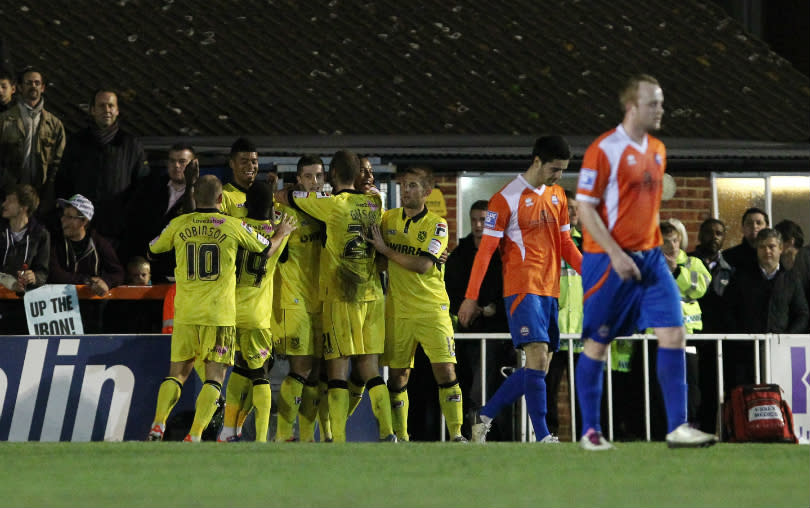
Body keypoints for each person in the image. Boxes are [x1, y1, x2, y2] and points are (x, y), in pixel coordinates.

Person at [573, 74, 718, 450]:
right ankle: (590, 431)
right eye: (653, 103)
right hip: (607, 260)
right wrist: (617, 253)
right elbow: (584, 207)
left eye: (662, 102)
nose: (661, 110)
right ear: (631, 106)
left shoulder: (657, 148)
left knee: (674, 333)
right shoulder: (603, 149)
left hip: (651, 259)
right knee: (598, 343)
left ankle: (677, 427)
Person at [146, 174, 294, 442]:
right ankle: (195, 434)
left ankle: (158, 424)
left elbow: (152, 250)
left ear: (193, 197)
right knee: (215, 377)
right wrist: (281, 232)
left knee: (177, 373)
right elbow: (264, 249)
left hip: (186, 312)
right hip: (220, 314)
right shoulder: (232, 225)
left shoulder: (179, 224)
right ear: (220, 199)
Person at [462, 134, 582, 444]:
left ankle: (484, 415)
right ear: (537, 161)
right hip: (521, 289)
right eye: (554, 169)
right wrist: (470, 297)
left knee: (539, 367)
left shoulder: (557, 197)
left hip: (550, 291)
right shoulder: (504, 199)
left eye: (562, 170)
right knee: (538, 360)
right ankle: (543, 436)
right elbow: (486, 252)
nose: (558, 176)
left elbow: (566, 244)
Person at [274, 149, 394, 443]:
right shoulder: (374, 202)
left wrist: (282, 190)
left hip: (340, 297)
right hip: (372, 294)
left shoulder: (330, 206)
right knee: (369, 368)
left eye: (321, 175)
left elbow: (287, 198)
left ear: (330, 176)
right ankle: (389, 432)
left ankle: (336, 439)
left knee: (337, 370)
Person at [366, 165, 465, 442]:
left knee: (445, 369)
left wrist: (386, 251)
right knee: (398, 377)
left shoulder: (438, 224)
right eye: (403, 185)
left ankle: (457, 434)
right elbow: (382, 262)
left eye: (412, 185)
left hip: (432, 309)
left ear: (426, 192)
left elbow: (422, 265)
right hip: (398, 310)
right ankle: (401, 437)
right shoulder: (387, 220)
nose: (405, 190)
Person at [217, 178, 294, 443]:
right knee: (260, 374)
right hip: (258, 315)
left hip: (231, 311)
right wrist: (282, 231)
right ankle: (261, 438)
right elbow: (279, 256)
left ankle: (228, 431)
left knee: (239, 368)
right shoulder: (278, 233)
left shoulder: (235, 228)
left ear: (246, 204)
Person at [270, 155, 327, 443]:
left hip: (324, 302)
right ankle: (283, 434)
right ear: (298, 180)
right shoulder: (283, 209)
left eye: (319, 176)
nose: (314, 182)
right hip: (295, 302)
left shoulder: (328, 210)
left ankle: (307, 438)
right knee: (301, 369)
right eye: (308, 177)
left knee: (316, 374)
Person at [444, 199, 511, 440]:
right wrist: (463, 310)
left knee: (485, 388)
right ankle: (467, 434)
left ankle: (493, 435)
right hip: (465, 333)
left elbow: (509, 288)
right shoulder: (460, 253)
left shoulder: (503, 254)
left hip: (496, 335)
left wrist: (492, 309)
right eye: (474, 220)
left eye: (483, 220)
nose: (478, 225)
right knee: (464, 386)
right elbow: (448, 288)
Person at [56, 88, 150, 248]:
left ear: (117, 110)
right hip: (81, 227)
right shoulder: (77, 142)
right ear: (92, 110)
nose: (106, 110)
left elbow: (142, 185)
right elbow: (63, 181)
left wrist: (126, 216)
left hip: (117, 231)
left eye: (110, 106)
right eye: (101, 106)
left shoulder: (131, 144)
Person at [723, 228, 809, 388]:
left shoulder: (791, 279)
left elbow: (802, 314)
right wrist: (741, 337)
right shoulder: (741, 277)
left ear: (781, 248)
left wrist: (786, 338)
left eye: (771, 246)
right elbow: (728, 310)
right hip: (746, 353)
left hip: (781, 352)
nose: (767, 251)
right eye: (762, 247)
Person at [120, 142, 197, 283]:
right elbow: (133, 224)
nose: (177, 166)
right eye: (172, 161)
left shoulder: (202, 194)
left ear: (194, 164)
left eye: (182, 161)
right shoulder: (149, 187)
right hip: (144, 272)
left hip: (178, 274)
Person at [48, 194, 125, 333]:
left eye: (69, 217)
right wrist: (87, 280)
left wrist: (106, 282)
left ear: (84, 221)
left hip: (90, 314)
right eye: (63, 215)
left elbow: (118, 273)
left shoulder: (99, 243)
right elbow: (55, 274)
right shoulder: (55, 243)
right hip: (58, 313)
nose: (63, 220)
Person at [688, 217, 734, 431]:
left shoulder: (729, 270)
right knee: (691, 388)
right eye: (709, 232)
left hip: (717, 340)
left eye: (719, 233)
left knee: (713, 388)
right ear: (699, 236)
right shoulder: (687, 263)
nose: (714, 237)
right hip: (691, 335)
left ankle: (707, 431)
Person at [544, 189, 584, 438]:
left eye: (575, 208)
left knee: (583, 394)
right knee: (547, 390)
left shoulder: (589, 244)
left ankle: (585, 437)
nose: (573, 212)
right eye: (568, 207)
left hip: (582, 333)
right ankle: (549, 438)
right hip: (553, 331)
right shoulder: (547, 243)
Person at [0, 67, 65, 214]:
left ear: (42, 88)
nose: (33, 86)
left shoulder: (54, 124)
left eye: (37, 83)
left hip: (41, 195)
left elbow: (58, 162)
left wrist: (49, 192)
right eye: (29, 83)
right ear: (20, 87)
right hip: (9, 192)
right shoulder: (4, 120)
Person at [0, 184, 50, 334]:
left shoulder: (41, 234)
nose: (3, 204)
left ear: (24, 207)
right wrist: (9, 281)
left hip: (24, 308)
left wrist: (34, 277)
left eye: (10, 201)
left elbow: (43, 272)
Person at [723, 207, 769, 275]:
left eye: (759, 223)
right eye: (749, 223)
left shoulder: (773, 255)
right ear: (742, 228)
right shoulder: (728, 257)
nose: (754, 226)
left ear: (767, 227)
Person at [221, 137, 259, 218]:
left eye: (254, 162)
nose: (250, 166)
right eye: (244, 162)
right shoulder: (223, 196)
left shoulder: (265, 194)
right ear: (232, 164)